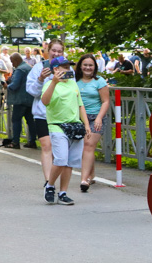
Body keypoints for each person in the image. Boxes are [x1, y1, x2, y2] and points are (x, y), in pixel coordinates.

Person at [41, 56, 91, 205]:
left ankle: (63, 192)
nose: (68, 70)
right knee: (61, 159)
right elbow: (45, 101)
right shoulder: (50, 83)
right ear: (55, 69)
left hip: (75, 126)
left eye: (69, 67)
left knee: (70, 162)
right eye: (64, 67)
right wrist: (54, 83)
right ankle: (50, 186)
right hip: (57, 125)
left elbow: (80, 104)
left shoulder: (72, 84)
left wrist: (86, 125)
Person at [27, 39, 66, 190]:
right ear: (48, 51)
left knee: (59, 149)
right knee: (46, 145)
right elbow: (32, 91)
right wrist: (41, 79)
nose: (56, 54)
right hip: (42, 114)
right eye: (54, 50)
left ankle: (54, 179)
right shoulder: (38, 68)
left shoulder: (67, 69)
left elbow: (72, 90)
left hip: (61, 115)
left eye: (59, 51)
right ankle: (48, 181)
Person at [75, 54, 109, 191]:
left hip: (96, 117)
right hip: (80, 118)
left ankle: (84, 179)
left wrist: (99, 118)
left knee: (88, 145)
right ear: (80, 66)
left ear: (95, 67)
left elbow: (106, 101)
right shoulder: (75, 81)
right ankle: (91, 174)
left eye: (91, 65)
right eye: (85, 65)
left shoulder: (99, 81)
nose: (88, 68)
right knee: (85, 147)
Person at [5, 53, 36, 149]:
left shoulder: (19, 69)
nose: (12, 64)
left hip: (20, 99)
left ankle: (15, 142)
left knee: (16, 120)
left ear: (16, 61)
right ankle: (32, 141)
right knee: (30, 121)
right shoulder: (28, 67)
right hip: (30, 98)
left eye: (12, 62)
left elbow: (14, 86)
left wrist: (7, 86)